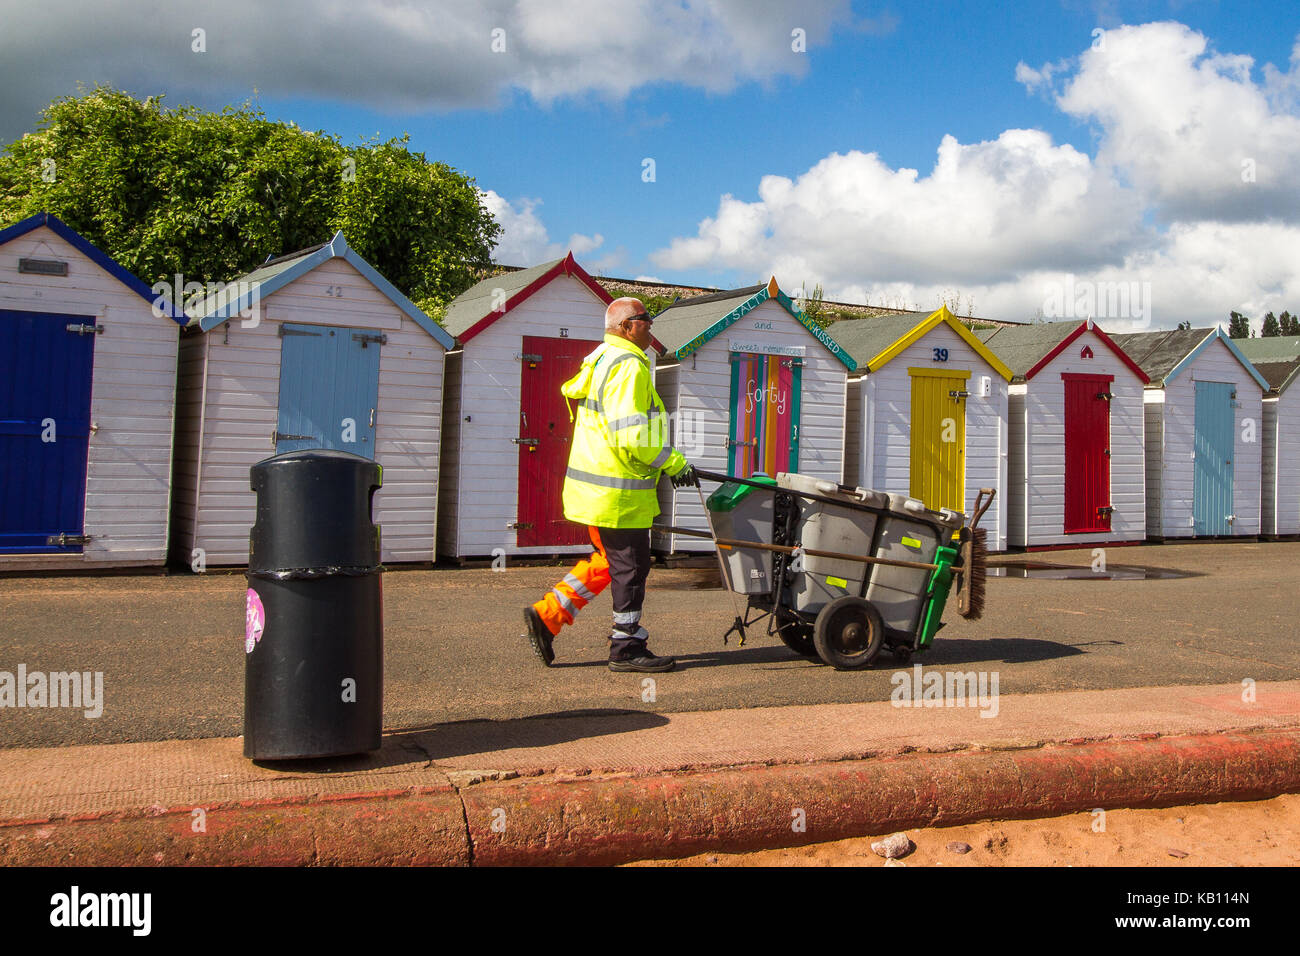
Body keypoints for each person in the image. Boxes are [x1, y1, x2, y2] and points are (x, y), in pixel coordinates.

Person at [522, 297, 697, 672]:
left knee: (609, 562)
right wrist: (674, 462)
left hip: (597, 492)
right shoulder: (629, 366)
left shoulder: (601, 359)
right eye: (644, 319)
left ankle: (548, 615)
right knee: (631, 568)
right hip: (619, 495)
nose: (650, 325)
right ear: (624, 326)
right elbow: (632, 434)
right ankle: (626, 646)